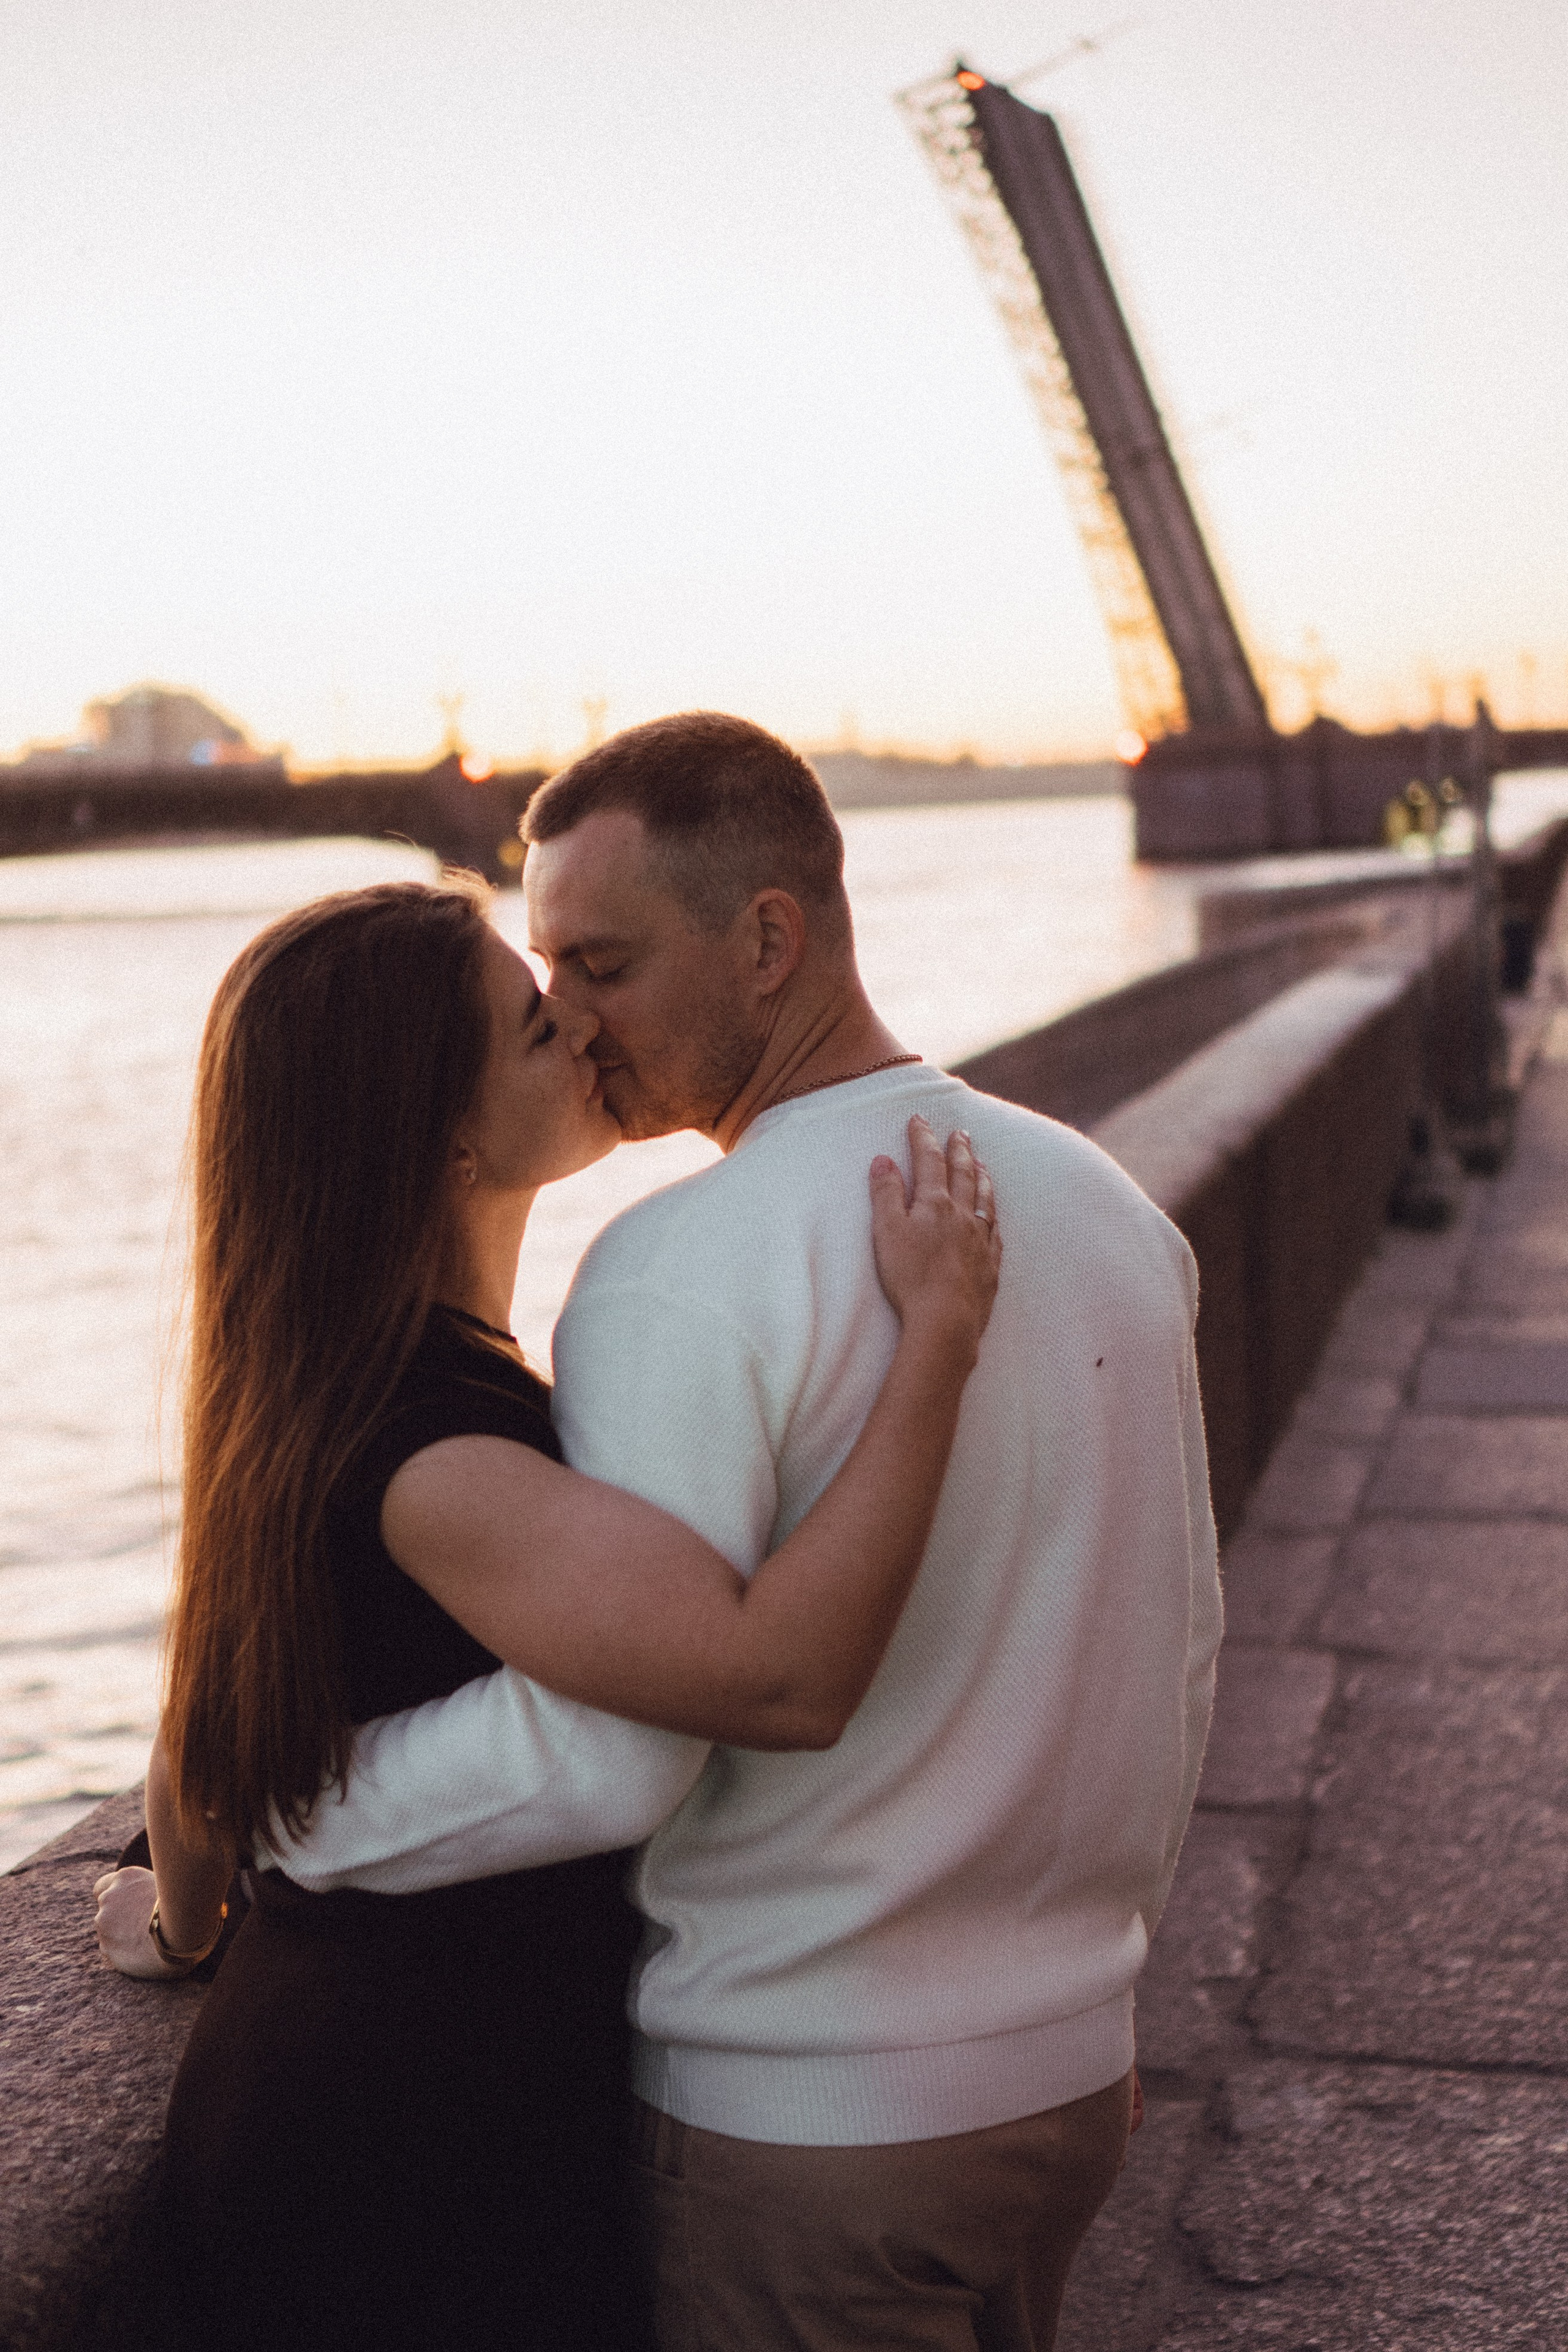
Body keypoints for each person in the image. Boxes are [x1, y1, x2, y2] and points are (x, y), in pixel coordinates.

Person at [255, 714, 1225, 2352]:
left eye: (605, 962)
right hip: (1070, 2079)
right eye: (547, 970)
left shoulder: (674, 1270)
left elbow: (616, 1751)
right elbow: (1180, 1640)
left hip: (812, 2119)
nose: (571, 1013)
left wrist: (281, 1805)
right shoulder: (1105, 1208)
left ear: (768, 939)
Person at [92, 873, 1003, 2352]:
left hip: (368, 2115)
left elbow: (215, 1714)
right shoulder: (444, 1455)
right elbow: (778, 1677)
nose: (580, 1022)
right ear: (441, 1138)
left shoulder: (322, 1393)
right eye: (532, 1022)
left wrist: (188, 1920)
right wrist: (935, 1351)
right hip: (407, 2175)